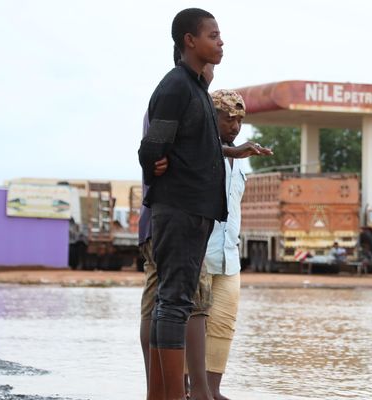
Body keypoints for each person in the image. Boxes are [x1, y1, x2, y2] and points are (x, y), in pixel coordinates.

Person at [138, 8, 227, 399]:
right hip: (179, 210)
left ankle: (160, 395)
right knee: (175, 303)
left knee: (172, 302)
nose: (220, 42)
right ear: (189, 41)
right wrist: (152, 161)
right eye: (213, 35)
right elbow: (151, 146)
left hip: (194, 211)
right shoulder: (176, 86)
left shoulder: (196, 88)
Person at [202, 89, 269, 400]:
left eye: (240, 120)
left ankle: (213, 390)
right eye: (229, 119)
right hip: (200, 253)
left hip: (230, 255)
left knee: (223, 324)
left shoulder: (242, 161)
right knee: (195, 322)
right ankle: (191, 388)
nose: (235, 126)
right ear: (211, 117)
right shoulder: (199, 150)